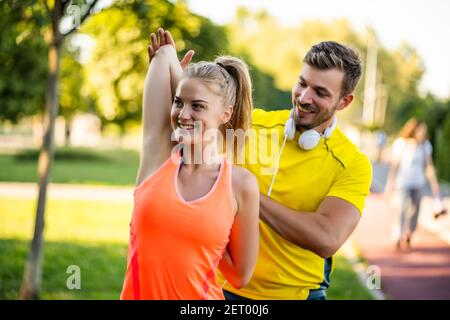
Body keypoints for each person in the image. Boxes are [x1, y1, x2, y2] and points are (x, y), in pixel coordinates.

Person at [218, 41, 372, 300]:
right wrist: (170, 77)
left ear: (344, 101)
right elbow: (188, 128)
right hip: (221, 288)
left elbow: (326, 237)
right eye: (302, 84)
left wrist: (248, 194)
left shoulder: (353, 163)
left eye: (320, 92)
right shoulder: (251, 124)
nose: (303, 98)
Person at [120, 28, 260, 300]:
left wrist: (206, 245)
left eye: (197, 106)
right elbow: (162, 54)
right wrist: (174, 66)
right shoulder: (157, 158)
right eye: (178, 102)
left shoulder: (240, 185)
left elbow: (240, 276)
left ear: (225, 114)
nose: (183, 115)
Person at [384, 118, 446, 250]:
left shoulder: (426, 146)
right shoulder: (401, 143)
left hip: (418, 183)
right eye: (421, 129)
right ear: (414, 129)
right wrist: (389, 184)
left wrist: (435, 185)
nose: (423, 132)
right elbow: (395, 165)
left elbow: (428, 166)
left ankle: (409, 233)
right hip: (402, 182)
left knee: (415, 210)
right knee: (401, 210)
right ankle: (397, 236)